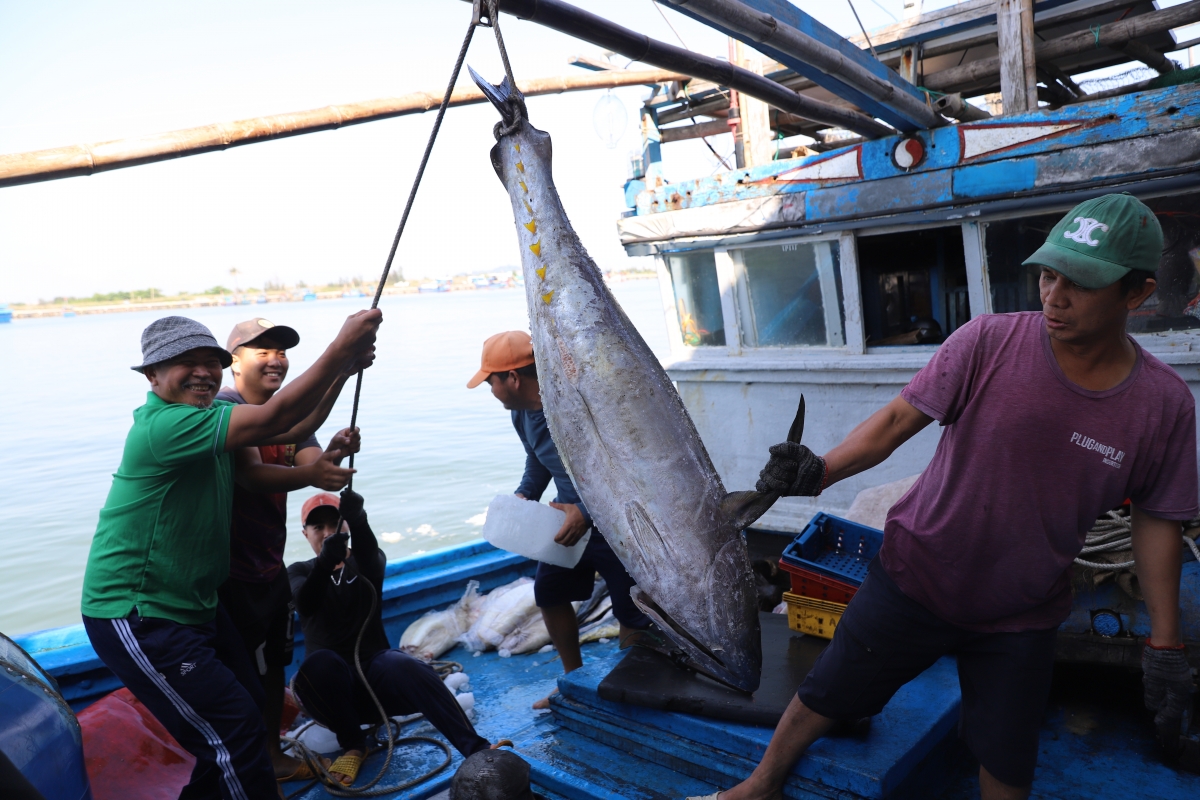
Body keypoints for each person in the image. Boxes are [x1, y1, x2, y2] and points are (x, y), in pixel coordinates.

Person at [701, 194, 1199, 800]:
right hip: (915, 578)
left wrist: (1165, 642)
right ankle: (759, 786)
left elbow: (1156, 519)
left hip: (1021, 614)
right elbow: (896, 421)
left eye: (1081, 283)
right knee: (827, 693)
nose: (1053, 296)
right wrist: (820, 471)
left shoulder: (1162, 405)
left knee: (1007, 762)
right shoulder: (988, 341)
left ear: (1137, 293)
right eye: (1048, 274)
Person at [82, 310, 380, 800]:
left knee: (243, 711)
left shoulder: (206, 419)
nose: (204, 372)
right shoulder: (168, 425)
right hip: (139, 611)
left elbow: (295, 424)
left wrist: (343, 371)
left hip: (195, 604)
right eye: (187, 362)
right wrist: (341, 348)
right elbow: (278, 418)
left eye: (211, 362)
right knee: (236, 729)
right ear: (152, 375)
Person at [469, 330, 656, 710]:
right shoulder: (521, 413)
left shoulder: (574, 409)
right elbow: (537, 459)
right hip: (566, 520)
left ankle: (632, 691)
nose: (490, 390)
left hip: (616, 523)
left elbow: (624, 467)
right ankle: (573, 681)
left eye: (490, 382)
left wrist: (585, 513)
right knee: (549, 593)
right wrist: (524, 496)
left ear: (513, 378)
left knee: (632, 610)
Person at [215, 317, 362, 782]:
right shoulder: (224, 407)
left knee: (273, 666)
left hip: (268, 567)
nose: (275, 359)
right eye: (262, 351)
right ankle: (247, 764)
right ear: (234, 361)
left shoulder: (290, 417)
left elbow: (311, 461)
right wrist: (340, 363)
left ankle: (272, 753)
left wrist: (333, 454)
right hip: (229, 574)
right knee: (240, 673)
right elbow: (252, 474)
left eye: (281, 352)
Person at [288, 491, 493, 787]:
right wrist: (324, 564)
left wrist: (359, 519)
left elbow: (370, 554)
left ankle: (477, 748)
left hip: (377, 693)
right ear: (305, 534)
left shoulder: (366, 563)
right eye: (317, 527)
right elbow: (305, 602)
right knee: (321, 664)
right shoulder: (299, 571)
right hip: (329, 700)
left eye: (335, 524)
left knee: (404, 663)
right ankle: (354, 745)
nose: (327, 532)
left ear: (345, 527)